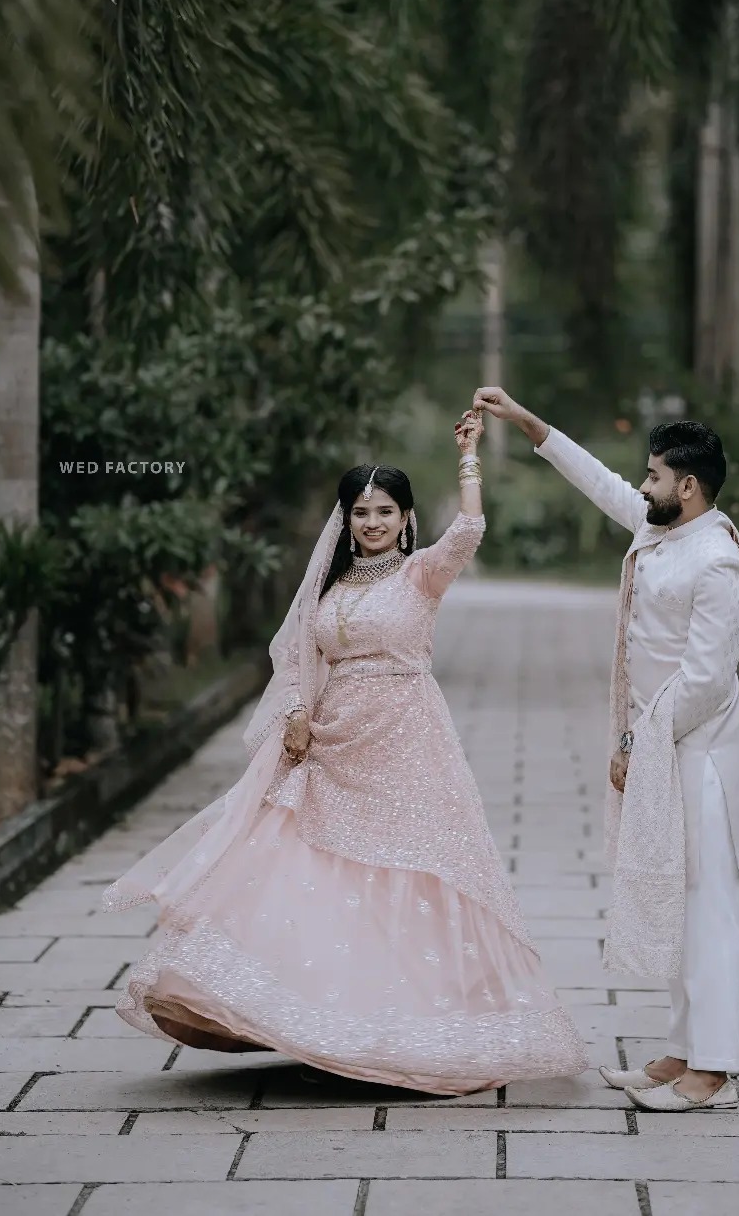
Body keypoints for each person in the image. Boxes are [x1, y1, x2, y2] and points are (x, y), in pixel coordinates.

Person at [103, 408, 588, 1096]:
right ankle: (313, 1018)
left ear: (405, 518)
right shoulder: (328, 589)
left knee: (407, 869)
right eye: (360, 511)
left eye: (384, 511)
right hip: (332, 742)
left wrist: (470, 456)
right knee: (313, 866)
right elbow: (297, 658)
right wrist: (297, 712)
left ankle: (409, 1026)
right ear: (346, 519)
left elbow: (472, 530)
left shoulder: (421, 576)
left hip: (405, 738)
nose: (371, 522)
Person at [473, 387, 739, 1113]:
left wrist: (641, 745)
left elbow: (704, 679)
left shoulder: (718, 562)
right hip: (665, 747)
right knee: (674, 897)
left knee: (708, 909)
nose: (642, 485)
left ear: (688, 487)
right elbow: (598, 480)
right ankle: (680, 1051)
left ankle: (714, 1074)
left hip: (700, 761)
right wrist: (526, 421)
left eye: (655, 476)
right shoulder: (663, 530)